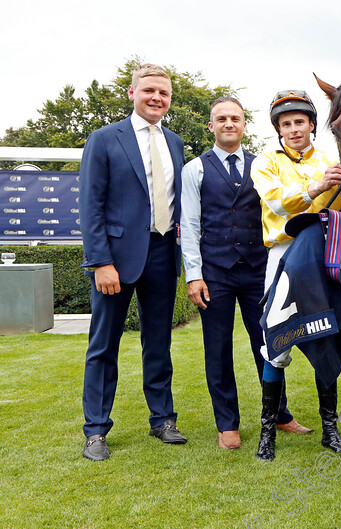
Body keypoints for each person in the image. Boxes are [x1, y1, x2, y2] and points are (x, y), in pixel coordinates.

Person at [180, 97, 312, 450]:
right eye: (221, 118)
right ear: (211, 126)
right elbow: (190, 226)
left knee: (270, 344)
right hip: (215, 272)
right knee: (218, 349)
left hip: (258, 269)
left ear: (244, 124)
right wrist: (194, 275)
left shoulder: (263, 165)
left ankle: (280, 415)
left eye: (235, 118)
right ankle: (227, 423)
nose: (228, 123)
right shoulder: (195, 169)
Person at [79, 63, 187, 461]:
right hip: (116, 261)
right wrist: (100, 262)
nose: (157, 98)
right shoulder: (104, 139)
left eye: (164, 93)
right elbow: (90, 207)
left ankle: (163, 420)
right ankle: (96, 431)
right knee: (103, 346)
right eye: (150, 91)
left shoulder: (175, 142)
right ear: (132, 93)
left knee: (158, 343)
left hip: (161, 255)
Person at [251, 90, 341, 461]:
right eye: (286, 124)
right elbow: (276, 202)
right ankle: (267, 432)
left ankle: (329, 431)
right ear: (278, 129)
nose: (294, 129)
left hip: (325, 256)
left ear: (311, 125)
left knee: (327, 338)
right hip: (283, 255)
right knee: (276, 344)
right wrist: (319, 186)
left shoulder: (331, 159)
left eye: (300, 122)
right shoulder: (265, 162)